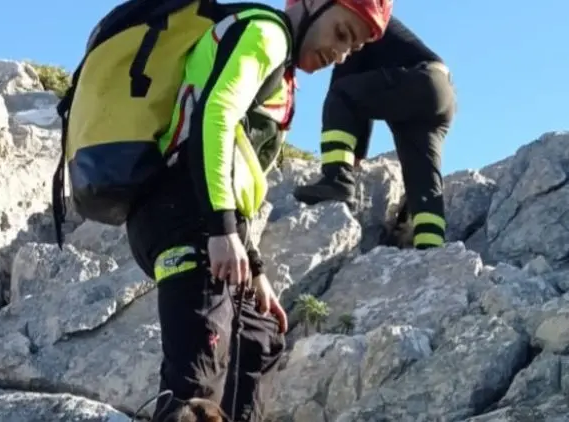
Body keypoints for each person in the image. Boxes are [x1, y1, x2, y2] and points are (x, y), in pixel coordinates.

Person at [124, 0, 393, 421]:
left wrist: (255, 266)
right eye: (342, 33)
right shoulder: (266, 34)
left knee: (260, 337)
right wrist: (220, 227)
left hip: (206, 215)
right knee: (195, 389)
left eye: (353, 48)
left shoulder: (281, 72)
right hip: (182, 210)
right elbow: (214, 115)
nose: (340, 54)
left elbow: (237, 173)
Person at [292, 15, 455, 250]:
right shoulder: (379, 26)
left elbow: (345, 83)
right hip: (442, 92)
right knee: (422, 178)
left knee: (340, 94)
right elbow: (362, 107)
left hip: (420, 79)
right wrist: (359, 151)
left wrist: (352, 160)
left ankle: (336, 179)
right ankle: (431, 245)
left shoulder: (356, 20)